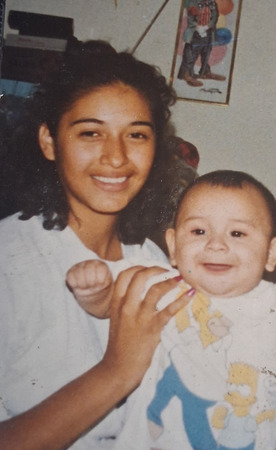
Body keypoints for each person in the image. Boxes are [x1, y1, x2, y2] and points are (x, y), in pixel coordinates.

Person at [66, 170, 276, 449]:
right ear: (174, 246)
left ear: (271, 253)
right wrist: (95, 291)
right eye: (199, 231)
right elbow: (110, 307)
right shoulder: (160, 287)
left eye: (237, 233)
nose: (216, 244)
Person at [0, 40, 196, 449]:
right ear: (49, 141)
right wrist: (117, 371)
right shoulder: (10, 259)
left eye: (136, 135)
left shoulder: (152, 259)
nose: (116, 157)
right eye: (91, 133)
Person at [177, 0, 227, 87]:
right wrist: (198, 28)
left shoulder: (212, 3)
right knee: (191, 54)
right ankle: (186, 74)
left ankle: (205, 72)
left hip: (208, 31)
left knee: (206, 52)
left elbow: (215, 16)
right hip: (195, 32)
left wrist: (208, 26)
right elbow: (191, 18)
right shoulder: (193, 3)